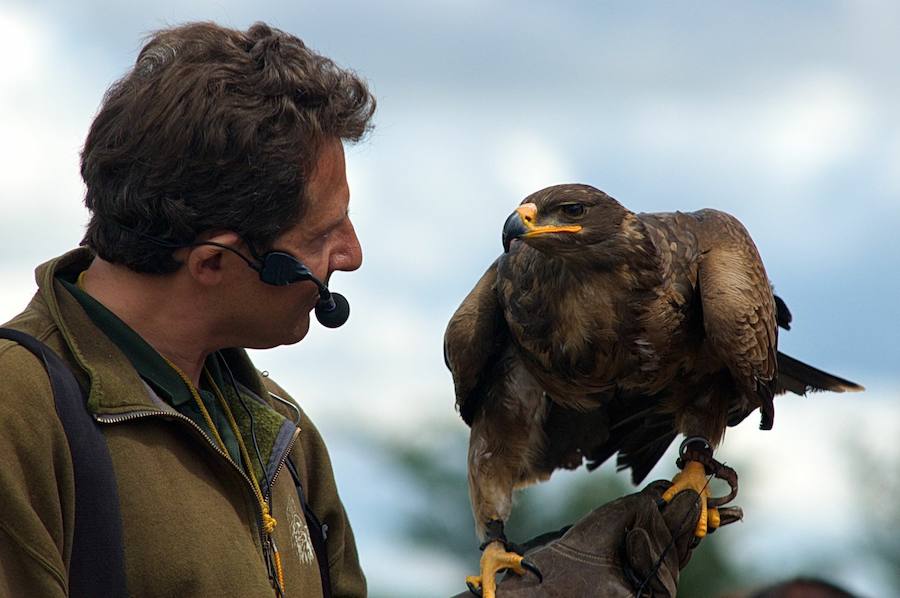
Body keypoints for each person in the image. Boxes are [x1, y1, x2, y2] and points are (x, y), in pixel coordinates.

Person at [0, 21, 374, 597]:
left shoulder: (282, 431)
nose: (351, 254)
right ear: (213, 264)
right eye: (322, 234)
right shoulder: (18, 412)